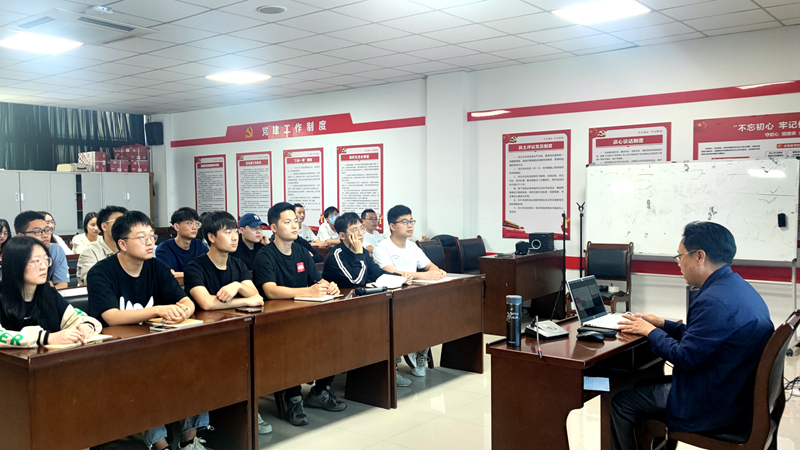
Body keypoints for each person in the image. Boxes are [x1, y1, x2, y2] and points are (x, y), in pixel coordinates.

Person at [610, 221, 774, 450]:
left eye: (680, 256)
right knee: (644, 384)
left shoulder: (712, 301)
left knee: (622, 402)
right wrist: (662, 324)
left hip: (713, 403)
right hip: (733, 391)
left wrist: (650, 331)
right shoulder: (736, 287)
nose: (678, 264)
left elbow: (684, 357)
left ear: (699, 256)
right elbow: (703, 339)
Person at [87, 211, 209, 450]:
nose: (150, 242)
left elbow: (186, 301)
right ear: (122, 244)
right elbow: (111, 317)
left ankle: (190, 440)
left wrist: (182, 312)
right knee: (143, 378)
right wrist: (157, 310)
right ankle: (161, 445)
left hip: (156, 347)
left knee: (196, 365)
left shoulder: (157, 268)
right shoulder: (101, 273)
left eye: (152, 236)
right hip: (115, 354)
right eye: (141, 237)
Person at [253, 202, 345, 426]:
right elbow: (270, 291)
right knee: (292, 344)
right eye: (288, 222)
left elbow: (317, 279)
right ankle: (293, 398)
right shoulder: (265, 255)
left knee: (336, 336)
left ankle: (320, 391)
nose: (295, 225)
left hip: (304, 314)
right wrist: (307, 291)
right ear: (273, 228)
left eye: (296, 221)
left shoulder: (302, 251)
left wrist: (329, 285)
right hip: (276, 321)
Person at [183, 211, 271, 435]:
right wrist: (245, 299)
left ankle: (247, 410)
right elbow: (206, 303)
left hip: (235, 333)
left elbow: (257, 297)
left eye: (235, 232)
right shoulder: (195, 267)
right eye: (227, 232)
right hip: (203, 338)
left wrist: (237, 286)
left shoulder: (237, 264)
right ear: (211, 237)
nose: (234, 237)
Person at [373, 205, 447, 379]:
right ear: (392, 226)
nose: (410, 225)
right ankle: (406, 352)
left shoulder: (413, 246)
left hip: (414, 295)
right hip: (392, 299)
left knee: (434, 314)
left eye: (411, 221)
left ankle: (420, 351)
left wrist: (437, 271)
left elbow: (429, 265)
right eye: (404, 222)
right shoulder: (382, 248)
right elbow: (390, 272)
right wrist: (423, 275)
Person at [0, 236, 102, 348]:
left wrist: (86, 326)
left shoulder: (47, 292)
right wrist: (46, 338)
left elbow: (75, 318)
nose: (44, 266)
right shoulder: (2, 294)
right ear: (15, 265)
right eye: (36, 261)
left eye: (46, 259)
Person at [322, 212, 392, 288]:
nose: (360, 233)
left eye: (362, 228)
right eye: (355, 230)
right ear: (342, 235)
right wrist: (359, 253)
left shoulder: (363, 251)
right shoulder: (336, 255)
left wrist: (400, 278)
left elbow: (377, 273)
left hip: (360, 293)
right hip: (343, 294)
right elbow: (356, 282)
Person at [14, 211, 69, 289]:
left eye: (47, 230)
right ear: (21, 236)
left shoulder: (55, 250)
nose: (45, 235)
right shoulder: (13, 253)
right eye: (38, 231)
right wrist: (47, 285)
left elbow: (62, 285)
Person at [77, 206, 127, 286]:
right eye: (118, 221)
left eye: (125, 222)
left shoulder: (130, 249)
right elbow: (92, 281)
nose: (123, 226)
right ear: (104, 226)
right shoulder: (90, 251)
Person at [155, 207, 209, 278]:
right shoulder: (164, 249)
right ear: (176, 227)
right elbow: (169, 274)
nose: (194, 227)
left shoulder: (199, 245)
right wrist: (196, 275)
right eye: (189, 223)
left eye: (196, 224)